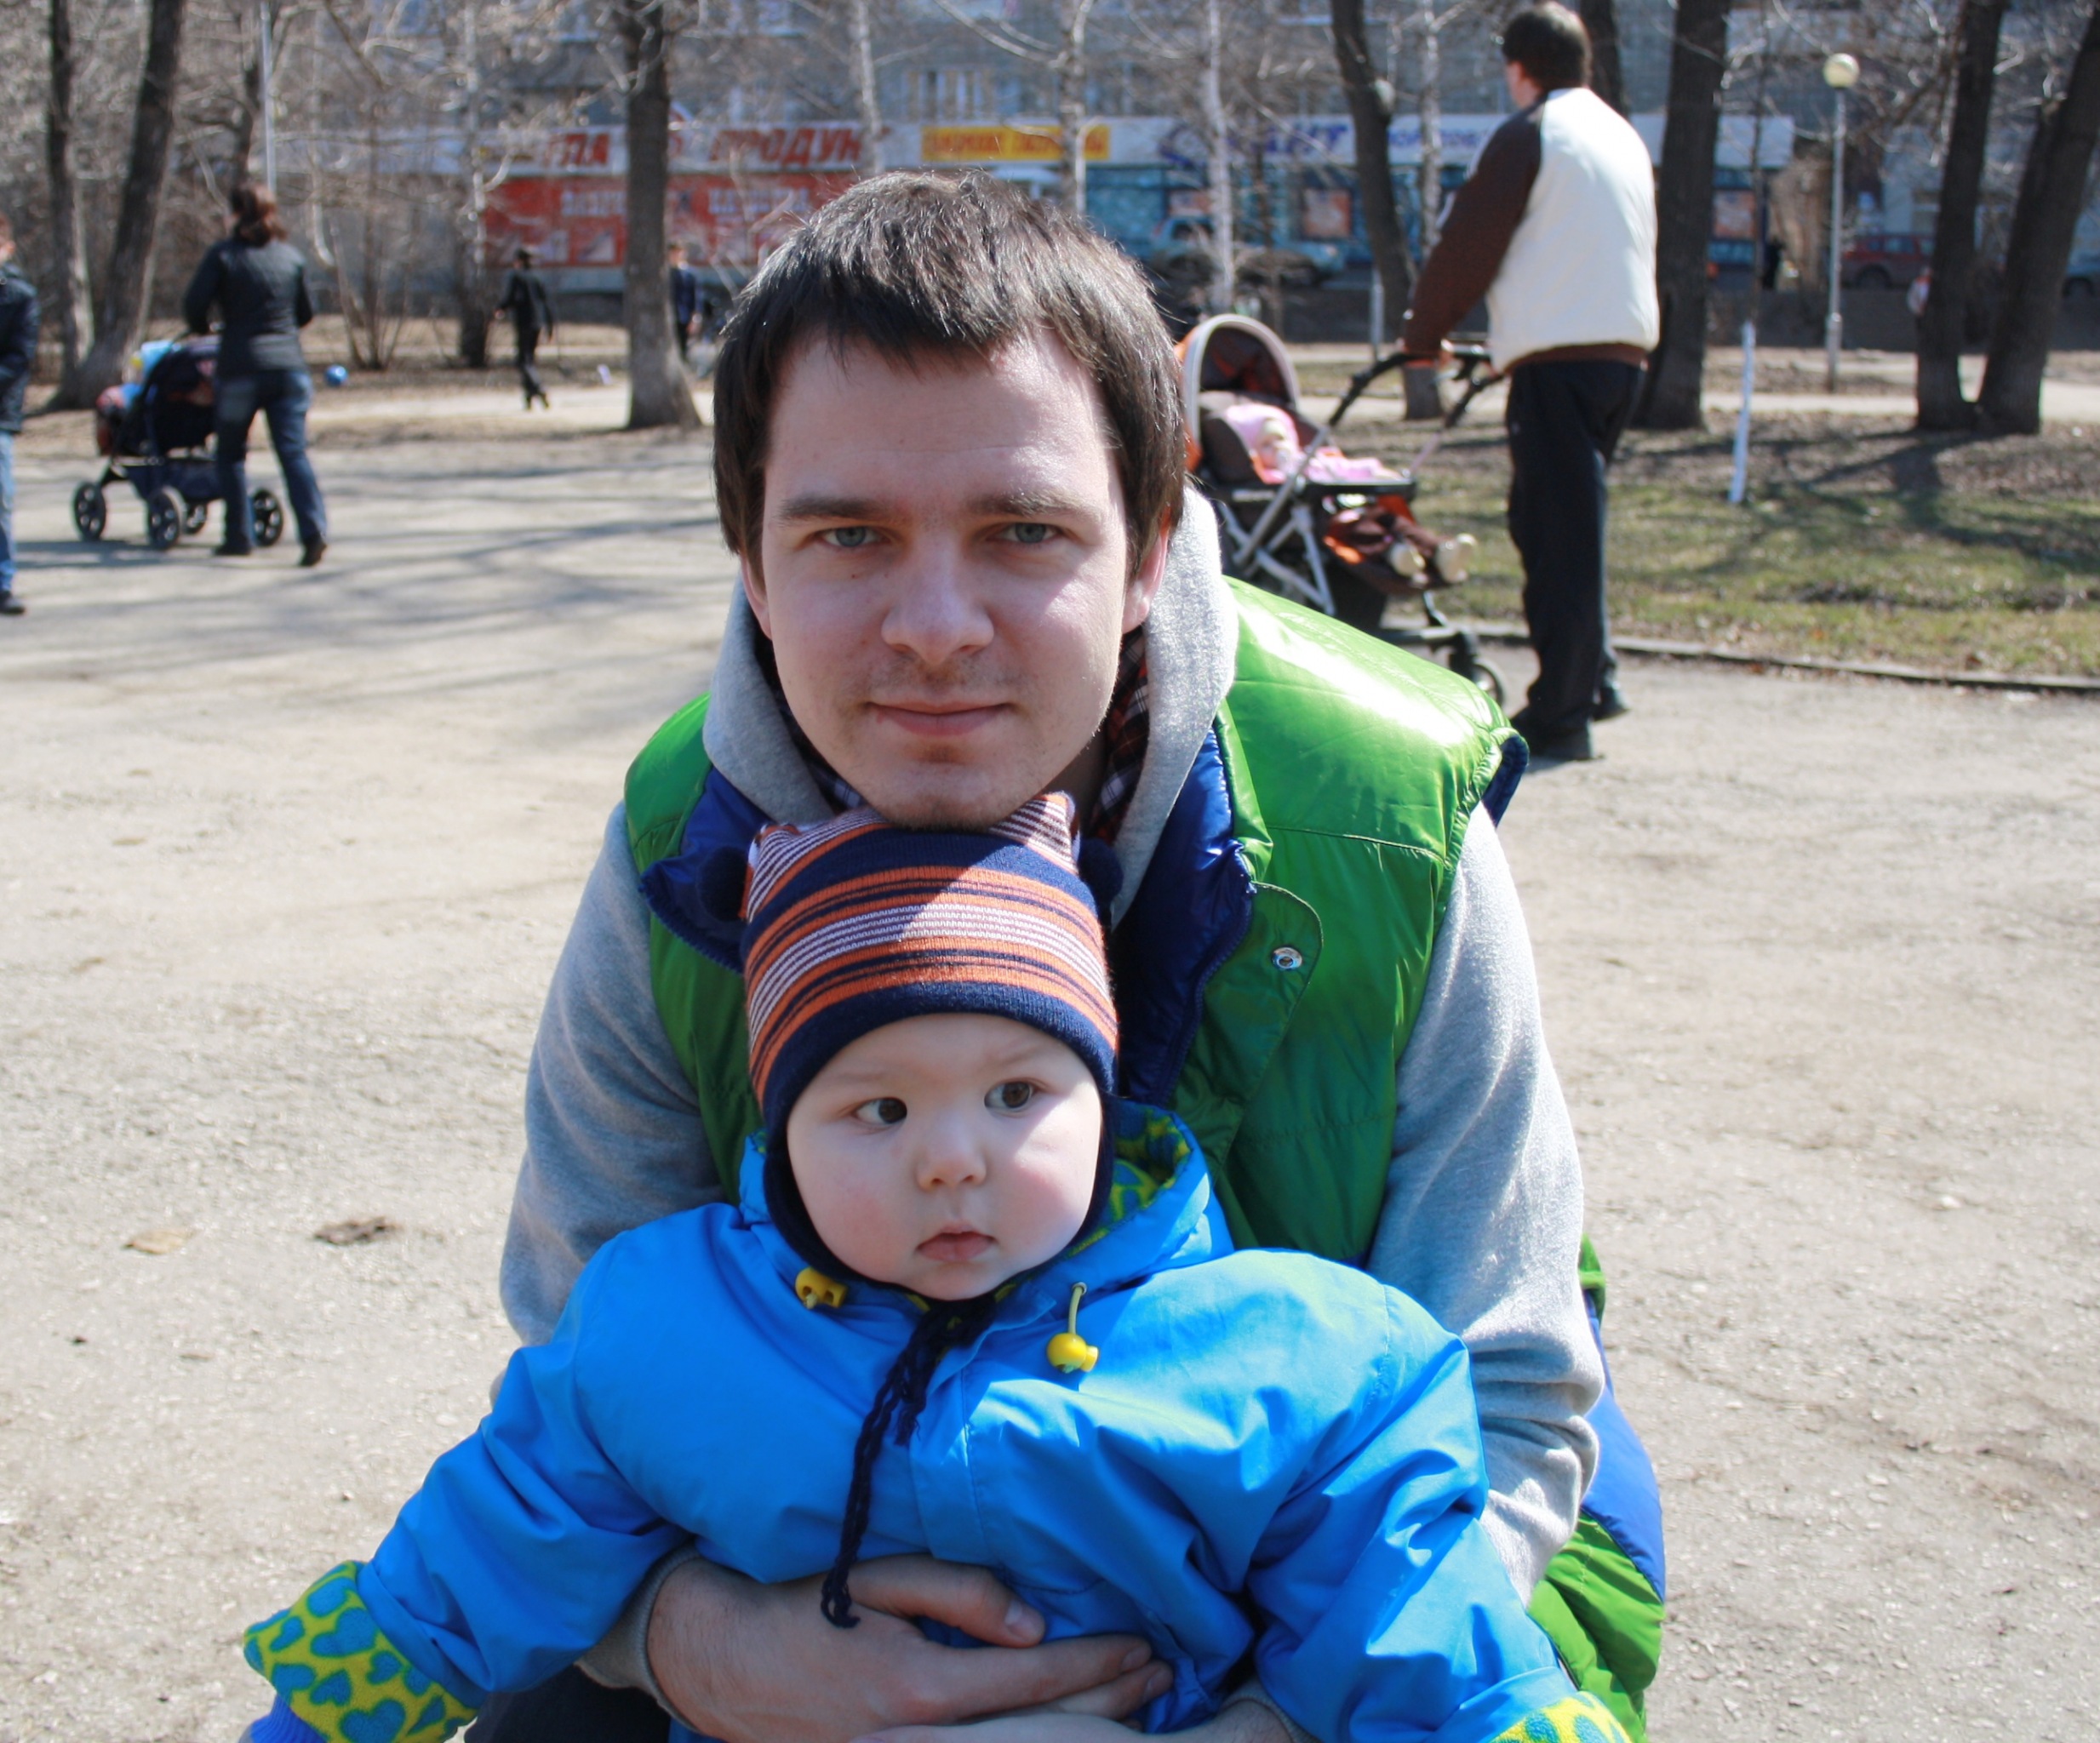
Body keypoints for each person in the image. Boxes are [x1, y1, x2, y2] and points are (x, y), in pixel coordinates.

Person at [482, 172, 1666, 1743]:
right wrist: (693, 1642)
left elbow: (1506, 1385)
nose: (934, 627)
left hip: (1357, 1593)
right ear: (752, 563)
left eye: (1023, 530)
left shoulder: (1382, 815)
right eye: (847, 534)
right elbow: (583, 1354)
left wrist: (1270, 1727)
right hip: (817, 1582)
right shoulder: (677, 842)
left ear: (1150, 545)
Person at [239, 797, 1632, 1743]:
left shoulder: (1291, 1352)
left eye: (1018, 1093)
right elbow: (489, 1544)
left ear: (1106, 1106)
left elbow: (1400, 1600)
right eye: (879, 1109)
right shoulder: (666, 1330)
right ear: (782, 1137)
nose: (952, 1159)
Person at [1399, 3, 1658, 763]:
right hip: (1621, 356)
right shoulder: (1618, 133)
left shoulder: (1533, 132)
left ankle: (1561, 711)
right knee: (1569, 524)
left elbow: (1469, 242)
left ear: (1518, 68)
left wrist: (1423, 337)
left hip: (1558, 363)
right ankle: (1594, 677)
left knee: (1554, 535)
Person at [184, 181, 329, 568]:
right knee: (293, 453)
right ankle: (314, 530)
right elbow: (305, 314)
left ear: (235, 214)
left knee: (231, 454)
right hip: (288, 369)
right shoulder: (290, 257)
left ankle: (238, 536)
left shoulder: (223, 256)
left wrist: (207, 326)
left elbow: (194, 306)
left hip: (240, 368)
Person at [0, 209, 37, 617]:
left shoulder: (19, 296)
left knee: (0, 499)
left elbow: (19, 358)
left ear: (7, 249)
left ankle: (2, 583)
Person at [499, 249, 555, 410]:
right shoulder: (537, 278)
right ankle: (529, 399)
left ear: (519, 260)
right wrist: (549, 326)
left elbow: (512, 298)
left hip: (523, 322)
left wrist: (500, 308)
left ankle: (539, 389)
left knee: (522, 361)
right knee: (529, 360)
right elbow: (546, 303)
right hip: (538, 323)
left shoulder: (516, 277)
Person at [669, 243, 708, 362]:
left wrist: (695, 318)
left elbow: (696, 297)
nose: (676, 255)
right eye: (674, 253)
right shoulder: (666, 274)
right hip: (669, 316)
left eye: (679, 252)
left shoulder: (690, 274)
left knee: (684, 347)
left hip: (684, 316)